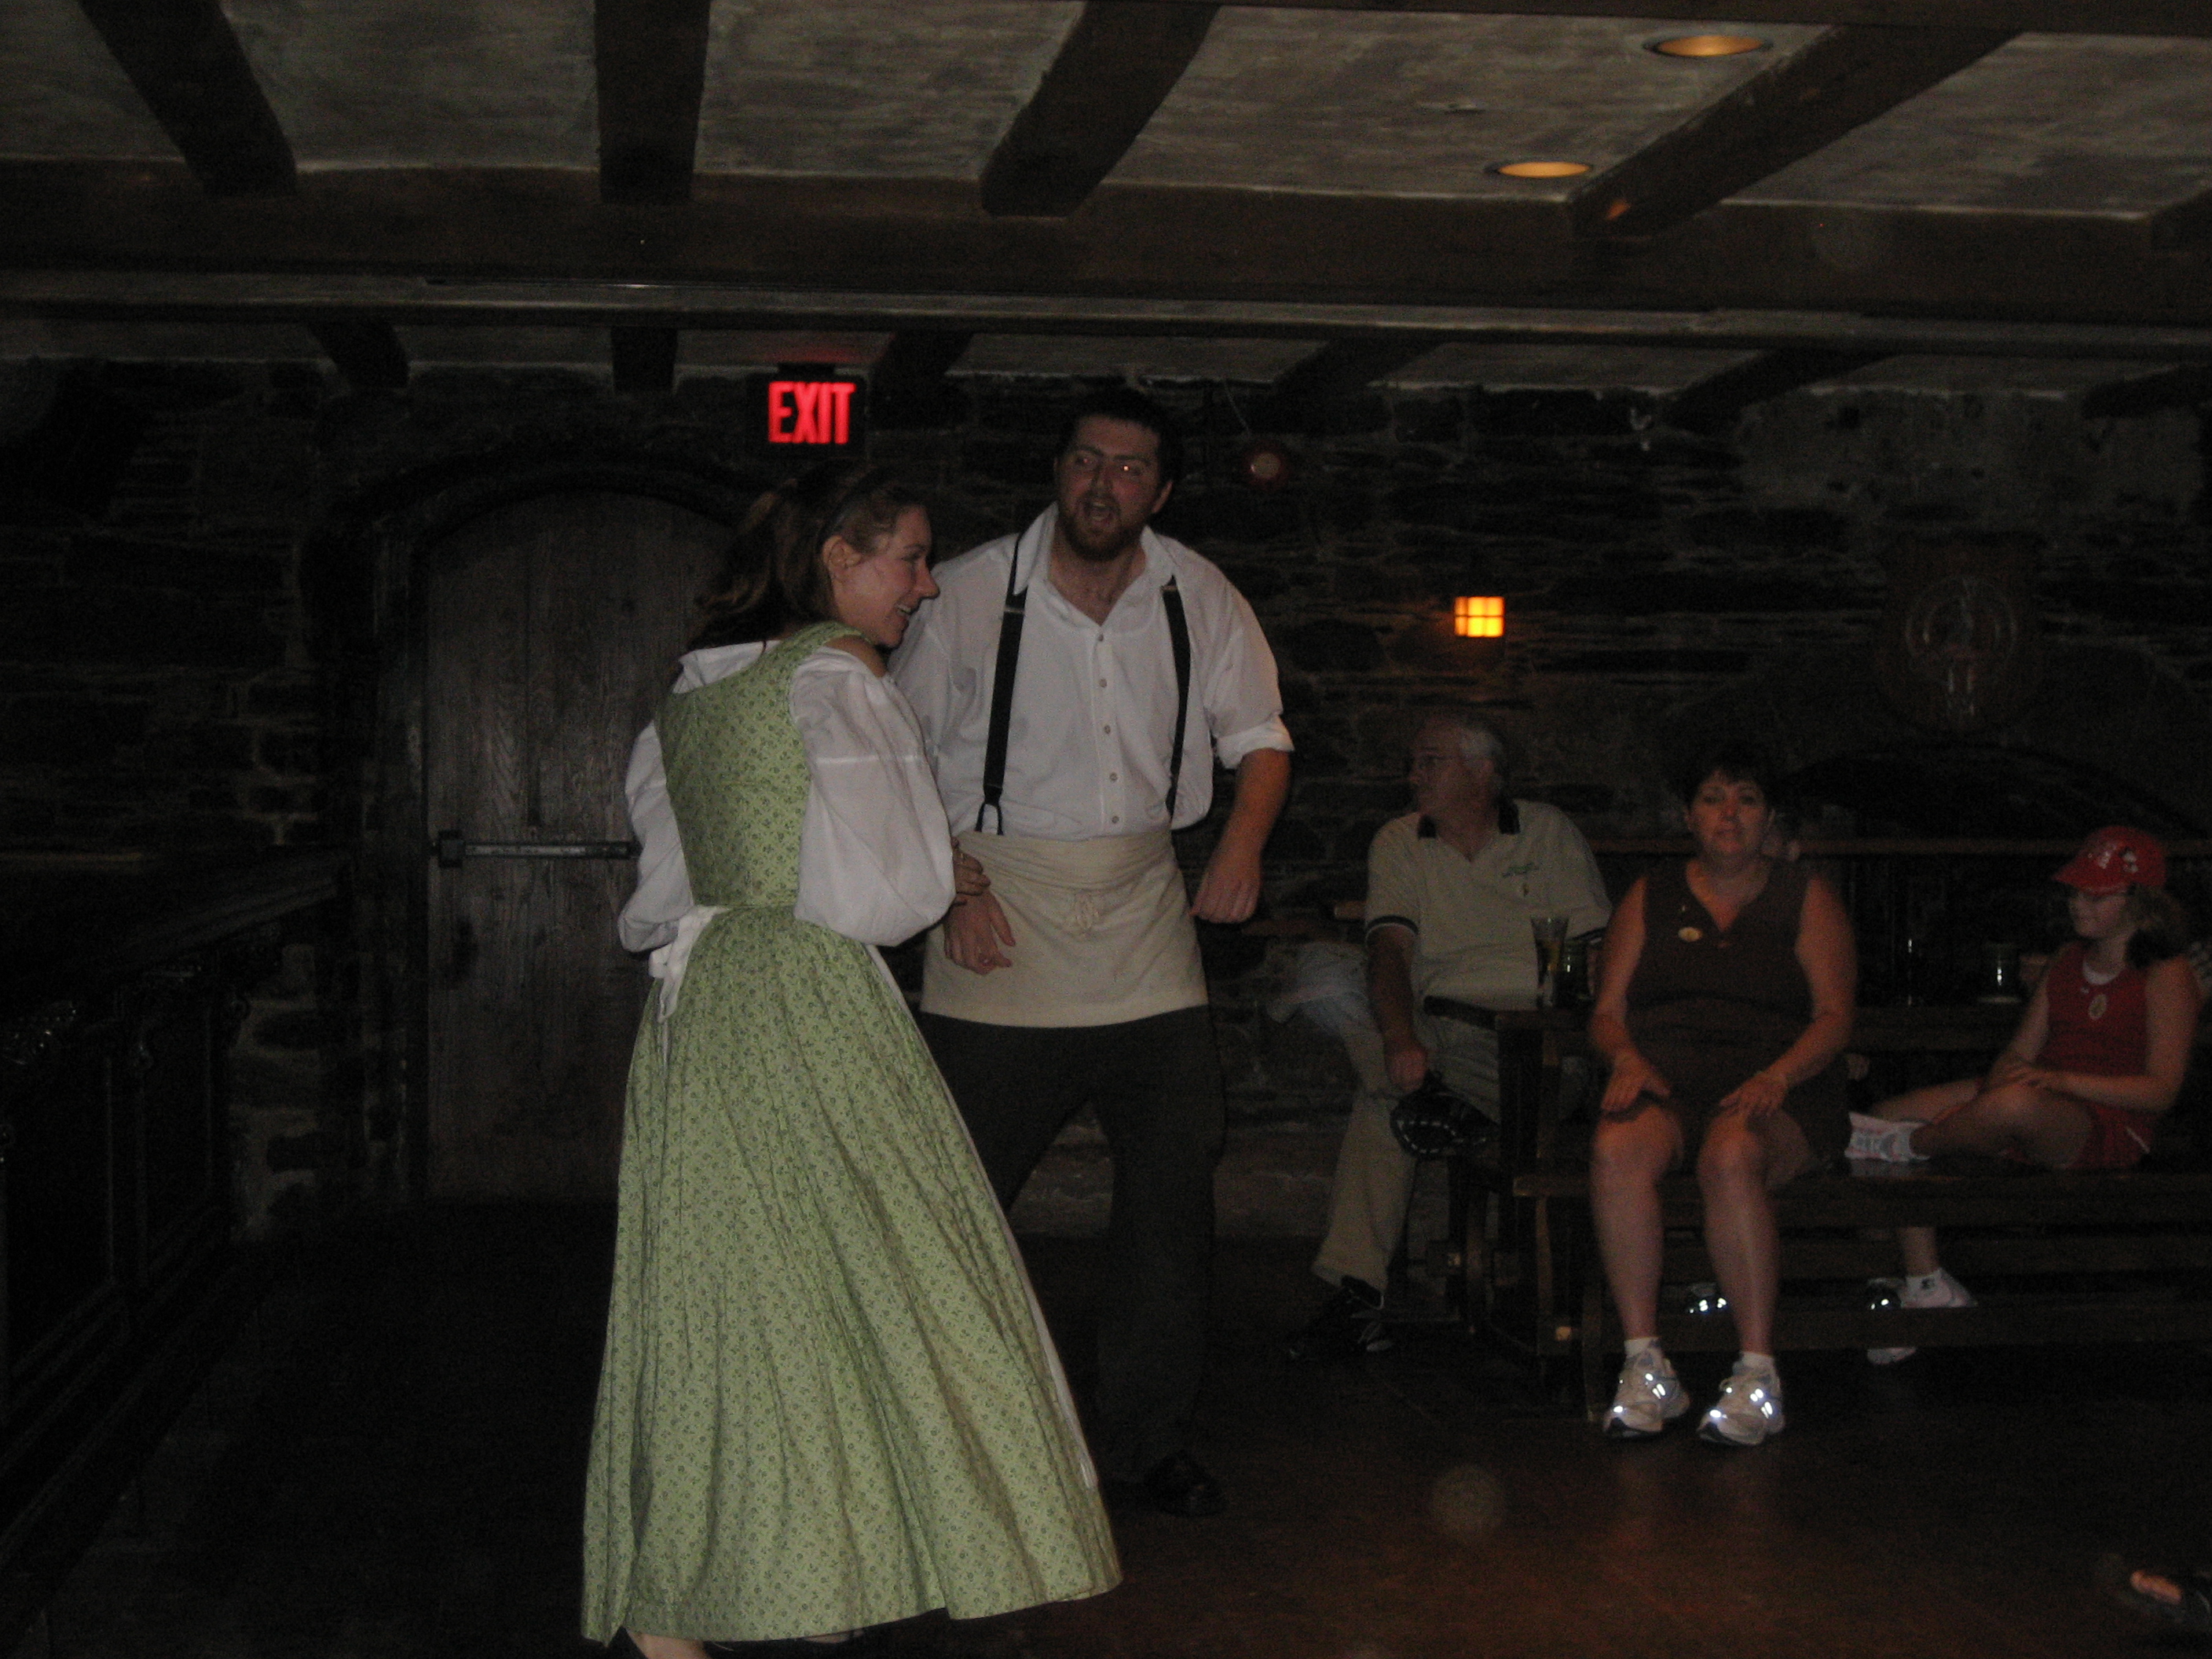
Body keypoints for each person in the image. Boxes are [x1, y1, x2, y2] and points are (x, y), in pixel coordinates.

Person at [584, 465, 1119, 1657]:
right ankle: (835, 1558)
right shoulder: (835, 677)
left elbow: (662, 894)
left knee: (730, 1288)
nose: (922, 587)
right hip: (809, 995)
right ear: (837, 557)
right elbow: (888, 896)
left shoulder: (692, 694)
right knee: (891, 1275)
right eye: (908, 559)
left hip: (702, 1006)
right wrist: (941, 866)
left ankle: (731, 1581)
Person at [890, 387, 1293, 1520]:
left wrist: (1241, 849)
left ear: (1161, 491)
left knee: (1170, 1192)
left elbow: (1260, 739)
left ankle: (1147, 1438)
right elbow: (893, 754)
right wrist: (949, 886)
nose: (1101, 484)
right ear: (1057, 470)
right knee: (960, 1196)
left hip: (1144, 921)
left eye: (1127, 467)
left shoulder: (1199, 593)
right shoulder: (968, 592)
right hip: (999, 912)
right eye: (1084, 460)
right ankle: (943, 1439)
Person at [1287, 709, 1610, 1360]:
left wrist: (1571, 1014)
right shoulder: (1402, 839)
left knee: (1385, 1105)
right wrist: (1400, 1038)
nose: (1414, 775)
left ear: (1483, 771)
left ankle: (1357, 1294)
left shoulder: (1545, 832)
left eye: (1430, 761)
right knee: (1322, 977)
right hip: (1442, 1030)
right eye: (1413, 762)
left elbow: (1595, 950)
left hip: (1530, 1043)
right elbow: (1389, 950)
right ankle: (1437, 1101)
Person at [1586, 744, 1855, 1447]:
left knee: (1730, 1157)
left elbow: (1834, 1016)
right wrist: (1625, 1058)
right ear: (1689, 816)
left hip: (1775, 1082)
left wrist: (1779, 1076)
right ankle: (1645, 1363)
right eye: (1713, 799)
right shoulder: (1652, 894)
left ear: (1769, 818)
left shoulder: (1804, 896)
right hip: (1671, 1076)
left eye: (1746, 800)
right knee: (1616, 1149)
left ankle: (1758, 1372)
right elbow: (1607, 1011)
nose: (1729, 815)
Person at [1849, 826, 2199, 1361]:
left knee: (1979, 1116)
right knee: (1889, 1112)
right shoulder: (2066, 958)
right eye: (2076, 892)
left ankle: (1913, 1146)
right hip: (2037, 1094)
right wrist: (1984, 1104)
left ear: (2140, 903)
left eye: (2096, 896)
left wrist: (2058, 1084)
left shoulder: (2166, 973)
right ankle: (1906, 1285)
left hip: (2107, 1119)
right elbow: (2018, 1054)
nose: (2078, 904)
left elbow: (2161, 1091)